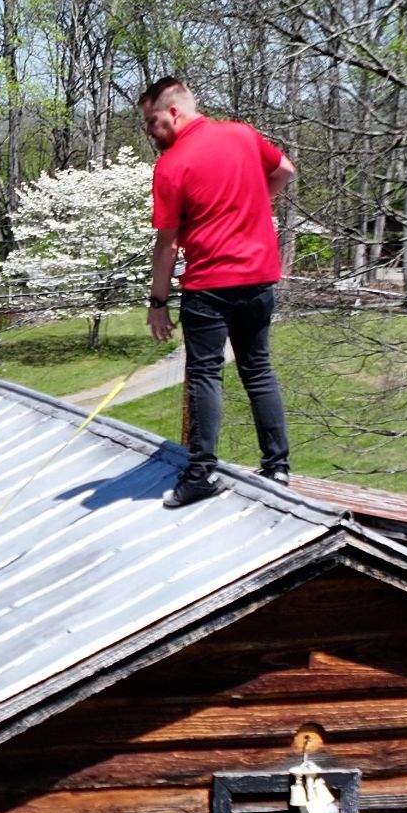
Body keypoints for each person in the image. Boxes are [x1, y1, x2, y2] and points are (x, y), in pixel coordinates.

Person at [140, 76, 294, 508]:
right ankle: (278, 466)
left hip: (209, 286)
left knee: (205, 375)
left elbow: (168, 243)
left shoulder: (171, 166)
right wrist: (257, 205)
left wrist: (157, 303)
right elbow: (285, 170)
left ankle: (201, 473)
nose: (151, 132)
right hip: (260, 278)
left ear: (173, 111)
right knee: (257, 369)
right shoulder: (242, 135)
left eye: (152, 122)